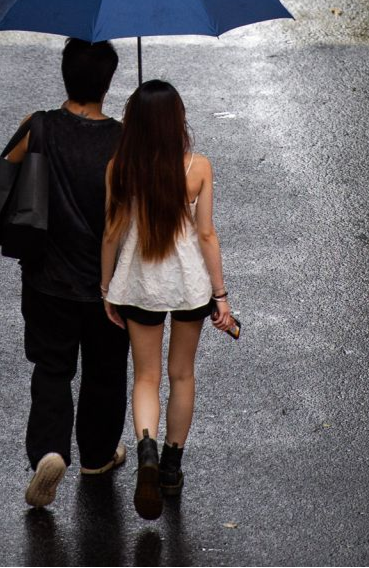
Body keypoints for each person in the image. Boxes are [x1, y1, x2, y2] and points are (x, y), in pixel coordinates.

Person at [99, 80, 237, 521]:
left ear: (133, 123)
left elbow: (111, 233)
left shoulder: (119, 167)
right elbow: (207, 234)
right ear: (178, 121)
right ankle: (172, 468)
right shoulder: (198, 167)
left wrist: (106, 288)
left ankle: (146, 453)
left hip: (139, 286)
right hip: (189, 287)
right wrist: (221, 295)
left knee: (145, 378)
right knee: (181, 375)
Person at [5, 38, 131, 509]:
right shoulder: (123, 140)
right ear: (110, 80)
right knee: (105, 370)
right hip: (109, 283)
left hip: (46, 277)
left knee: (52, 368)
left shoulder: (38, 127)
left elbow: (2, 175)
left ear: (64, 74)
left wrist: (31, 135)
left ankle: (50, 452)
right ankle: (98, 456)